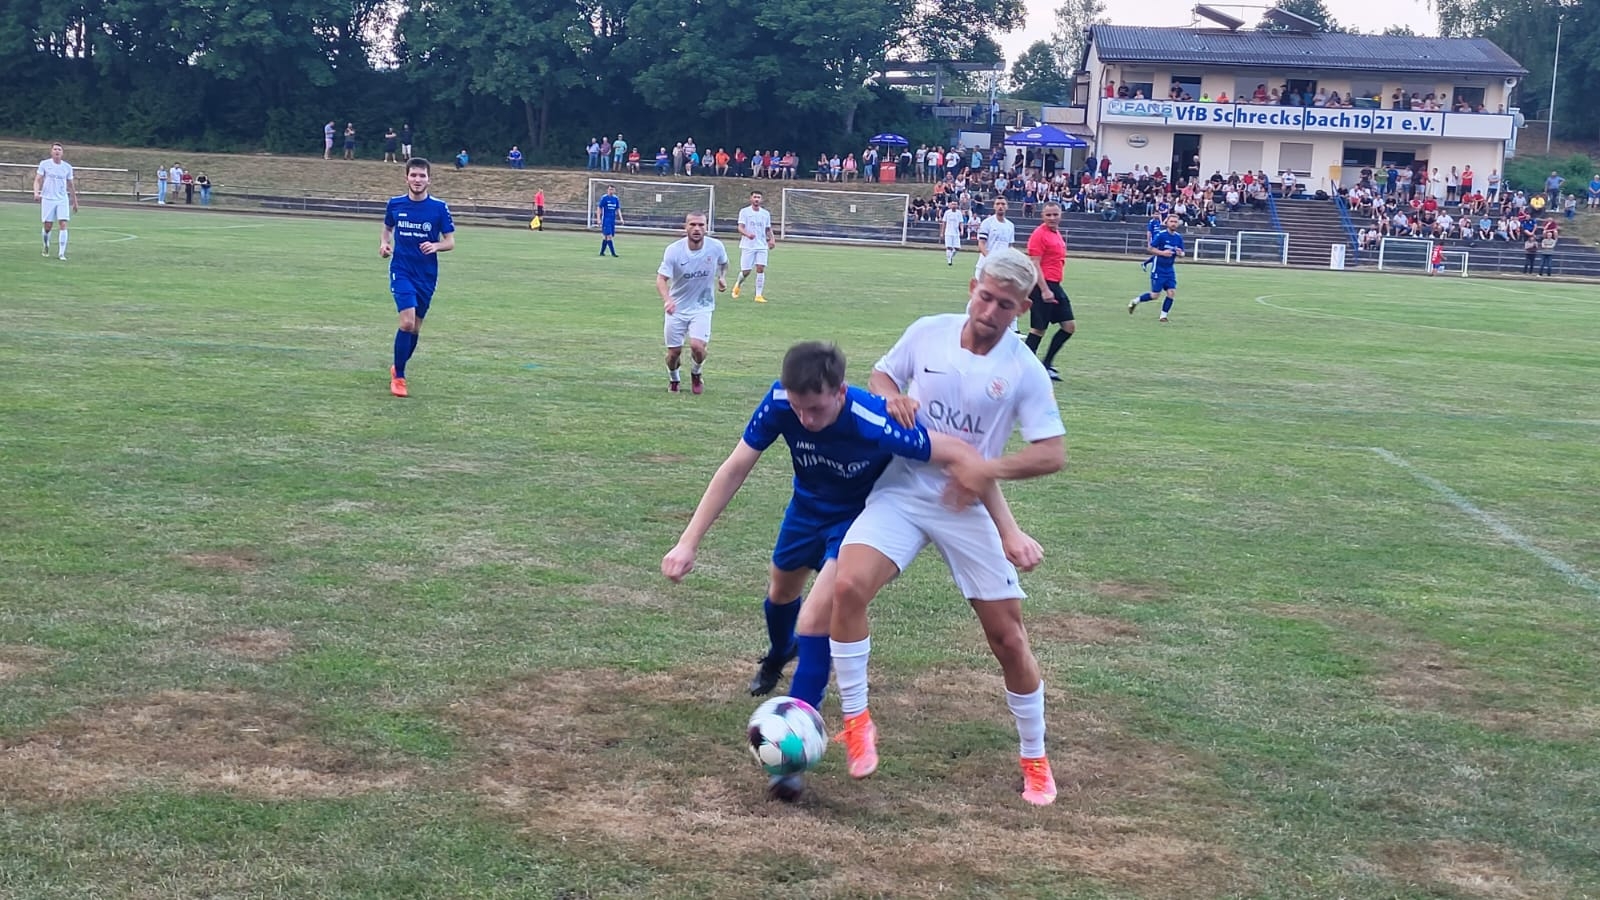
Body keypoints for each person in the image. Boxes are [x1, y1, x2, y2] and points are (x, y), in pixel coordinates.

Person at [661, 340, 1011, 801]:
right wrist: (688, 542)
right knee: (781, 592)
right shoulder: (780, 401)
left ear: (841, 391)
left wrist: (1007, 529)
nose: (806, 419)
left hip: (857, 520)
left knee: (815, 621)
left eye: (817, 409)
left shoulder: (872, 419)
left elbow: (957, 451)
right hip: (805, 510)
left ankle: (792, 750)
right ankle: (779, 652)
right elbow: (735, 468)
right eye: (799, 409)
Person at [827, 247, 1063, 807]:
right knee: (847, 586)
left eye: (1004, 305)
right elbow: (882, 373)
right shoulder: (928, 331)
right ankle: (857, 722)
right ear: (972, 288)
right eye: (985, 297)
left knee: (1008, 639)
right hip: (903, 489)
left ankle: (1035, 758)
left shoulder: (1023, 369)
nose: (989, 312)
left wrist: (988, 470)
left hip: (968, 505)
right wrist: (892, 398)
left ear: (1022, 309)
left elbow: (1052, 453)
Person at [379, 158, 456, 398]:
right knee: (407, 322)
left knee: (415, 328)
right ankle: (399, 378)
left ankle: (398, 365)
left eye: (422, 176)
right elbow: (387, 228)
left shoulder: (439, 208)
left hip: (426, 275)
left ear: (429, 180)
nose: (417, 179)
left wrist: (436, 246)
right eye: (413, 175)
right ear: (406, 178)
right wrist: (384, 244)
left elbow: (450, 241)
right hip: (401, 270)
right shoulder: (395, 204)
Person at [656, 212, 727, 394]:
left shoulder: (716, 246)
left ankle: (696, 373)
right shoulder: (674, 250)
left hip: (702, 306)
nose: (697, 229)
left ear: (706, 227)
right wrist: (667, 300)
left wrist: (722, 277)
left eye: (701, 225)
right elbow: (661, 279)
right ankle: (674, 379)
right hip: (677, 309)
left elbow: (724, 263)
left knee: (698, 347)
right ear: (685, 227)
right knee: (674, 354)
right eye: (692, 224)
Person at [1024, 202, 1074, 381]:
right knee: (1038, 329)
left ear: (1060, 215)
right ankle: (1023, 367)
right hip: (1042, 286)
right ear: (1042, 216)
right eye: (1048, 215)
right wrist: (1044, 290)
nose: (1052, 218)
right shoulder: (1039, 235)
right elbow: (1034, 264)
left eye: (1055, 214)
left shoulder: (1056, 233)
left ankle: (1046, 364)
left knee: (1069, 327)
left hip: (1055, 285)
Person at [1129, 213, 1186, 322]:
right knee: (1155, 295)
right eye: (1171, 221)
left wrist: (1180, 254)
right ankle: (1135, 301)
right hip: (1158, 268)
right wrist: (1162, 253)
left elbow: (1182, 252)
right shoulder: (1161, 235)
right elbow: (1150, 248)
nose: (1173, 224)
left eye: (1175, 222)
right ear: (1167, 223)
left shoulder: (1178, 237)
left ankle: (1163, 316)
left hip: (1169, 269)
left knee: (1171, 292)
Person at [34, 142, 78, 260]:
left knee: (63, 223)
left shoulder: (67, 167)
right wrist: (36, 193)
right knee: (48, 226)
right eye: (55, 149)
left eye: (59, 149)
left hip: (62, 198)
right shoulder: (44, 164)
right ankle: (46, 245)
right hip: (48, 199)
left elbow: (71, 185)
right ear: (51, 151)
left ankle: (61, 253)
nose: (57, 151)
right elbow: (37, 180)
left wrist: (75, 201)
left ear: (62, 153)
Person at [732, 191, 774, 302]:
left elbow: (768, 229)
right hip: (748, 246)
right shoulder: (744, 212)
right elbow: (740, 227)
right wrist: (747, 234)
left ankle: (758, 295)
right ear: (751, 199)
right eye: (755, 197)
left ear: (761, 200)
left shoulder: (765, 214)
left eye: (758, 197)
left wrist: (772, 239)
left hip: (761, 245)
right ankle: (738, 284)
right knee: (746, 271)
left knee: (760, 268)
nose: (756, 199)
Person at [595, 184, 622, 257]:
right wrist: (598, 219)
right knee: (609, 236)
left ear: (614, 190)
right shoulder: (604, 198)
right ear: (607, 190)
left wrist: (621, 218)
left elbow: (618, 209)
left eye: (612, 189)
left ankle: (601, 252)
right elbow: (599, 208)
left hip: (612, 220)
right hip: (606, 219)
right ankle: (613, 253)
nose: (611, 191)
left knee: (606, 237)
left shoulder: (615, 198)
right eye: (609, 189)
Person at [940, 199, 963, 265]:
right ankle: (949, 261)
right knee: (949, 247)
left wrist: (962, 230)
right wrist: (942, 232)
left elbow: (961, 222)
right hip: (948, 232)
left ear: (957, 205)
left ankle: (950, 257)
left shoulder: (959, 213)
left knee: (957, 248)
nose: (954, 205)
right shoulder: (947, 212)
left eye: (955, 204)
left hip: (956, 233)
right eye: (953, 204)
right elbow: (944, 223)